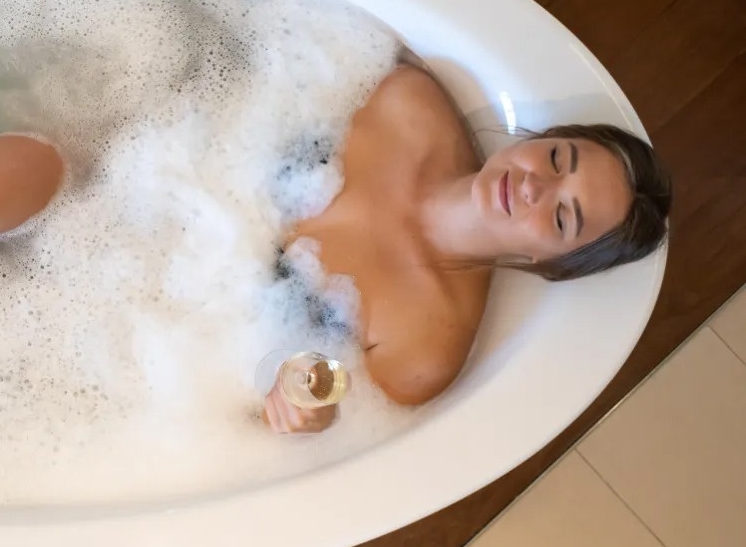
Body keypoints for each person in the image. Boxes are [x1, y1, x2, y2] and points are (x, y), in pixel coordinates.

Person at [264, 63, 672, 435]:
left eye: (562, 217)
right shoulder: (409, 105)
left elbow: (291, 408)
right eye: (555, 158)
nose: (534, 186)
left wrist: (307, 411)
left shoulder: (422, 347)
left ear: (553, 262)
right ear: (546, 137)